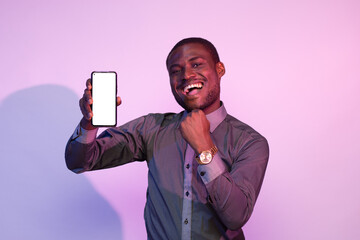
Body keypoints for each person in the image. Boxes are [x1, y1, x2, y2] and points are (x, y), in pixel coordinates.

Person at [65, 37, 269, 240]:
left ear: (220, 69)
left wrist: (204, 147)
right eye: (176, 71)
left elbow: (236, 216)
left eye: (196, 64)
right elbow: (79, 162)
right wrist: (89, 122)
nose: (186, 75)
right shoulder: (151, 128)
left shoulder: (250, 142)